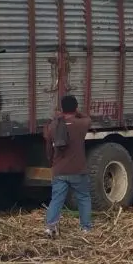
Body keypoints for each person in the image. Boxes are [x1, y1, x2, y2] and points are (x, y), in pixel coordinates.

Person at [42, 95, 93, 236]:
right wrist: (77, 113)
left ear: (62, 109)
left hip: (59, 170)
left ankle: (50, 226)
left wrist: (58, 117)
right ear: (75, 108)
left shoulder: (54, 126)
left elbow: (47, 143)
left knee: (56, 199)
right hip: (78, 169)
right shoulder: (81, 124)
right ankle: (86, 228)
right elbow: (88, 119)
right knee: (83, 198)